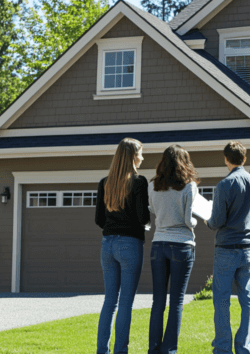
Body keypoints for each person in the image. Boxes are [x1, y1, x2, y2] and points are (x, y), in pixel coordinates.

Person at [208, 141, 250, 354]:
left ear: (226, 159)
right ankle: (244, 348)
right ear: (244, 158)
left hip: (225, 249)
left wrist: (208, 221)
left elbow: (216, 221)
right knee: (248, 301)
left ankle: (223, 349)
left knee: (222, 300)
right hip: (248, 250)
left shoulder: (224, 185)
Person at [95, 137, 150, 354]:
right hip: (130, 244)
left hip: (107, 245)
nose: (143, 157)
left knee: (110, 302)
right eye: (141, 153)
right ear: (133, 156)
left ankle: (102, 351)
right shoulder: (139, 182)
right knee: (125, 302)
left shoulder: (104, 182)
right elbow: (142, 217)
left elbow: (99, 219)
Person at [147, 145, 199, 354]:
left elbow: (152, 210)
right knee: (176, 301)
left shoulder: (152, 186)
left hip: (158, 245)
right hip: (182, 246)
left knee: (158, 301)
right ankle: (168, 351)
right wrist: (196, 220)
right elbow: (188, 220)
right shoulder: (189, 187)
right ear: (184, 162)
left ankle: (153, 349)